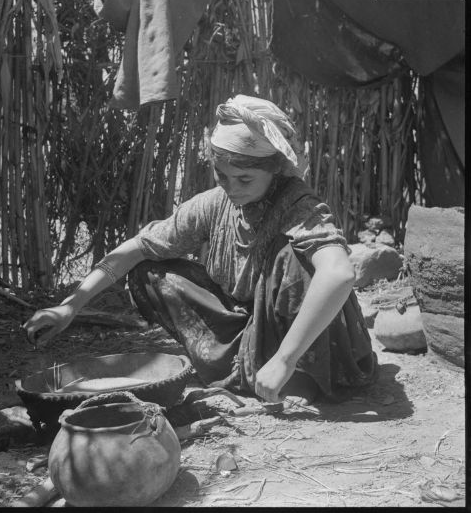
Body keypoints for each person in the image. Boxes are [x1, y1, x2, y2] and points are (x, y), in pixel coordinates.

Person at [24, 95, 377, 405]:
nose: (231, 188)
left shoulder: (300, 206)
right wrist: (69, 307)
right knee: (150, 271)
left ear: (275, 172)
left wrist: (285, 359)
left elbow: (339, 274)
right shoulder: (215, 204)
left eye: (244, 180)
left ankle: (298, 374)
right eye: (221, 175)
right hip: (246, 327)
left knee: (293, 258)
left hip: (298, 339)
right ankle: (247, 367)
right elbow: (136, 248)